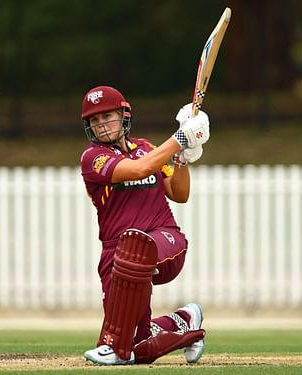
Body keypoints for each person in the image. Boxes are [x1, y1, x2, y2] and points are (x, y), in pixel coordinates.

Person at [80, 85, 210, 366]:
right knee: (136, 347)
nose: (102, 126)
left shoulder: (146, 149)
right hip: (117, 254)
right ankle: (185, 321)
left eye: (107, 116)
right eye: (95, 121)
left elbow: (180, 193)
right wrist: (180, 138)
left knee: (136, 246)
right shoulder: (94, 158)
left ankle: (114, 348)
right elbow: (139, 170)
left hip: (164, 239)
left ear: (124, 115)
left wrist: (183, 157)